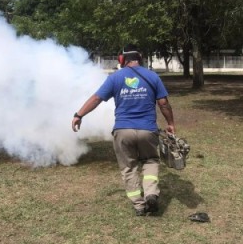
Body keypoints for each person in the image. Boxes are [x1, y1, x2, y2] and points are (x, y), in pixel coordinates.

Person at [71, 44, 175, 216]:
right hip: (148, 130)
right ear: (139, 58)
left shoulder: (115, 78)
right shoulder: (152, 76)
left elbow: (97, 98)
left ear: (122, 59)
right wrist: (170, 123)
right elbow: (163, 103)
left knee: (129, 166)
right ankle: (150, 194)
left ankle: (139, 206)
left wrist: (79, 114)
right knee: (150, 161)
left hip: (122, 130)